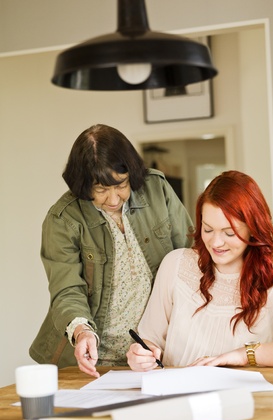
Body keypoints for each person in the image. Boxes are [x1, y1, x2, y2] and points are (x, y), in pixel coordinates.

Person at [127, 170, 273, 371]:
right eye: (208, 229)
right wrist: (141, 354)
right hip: (172, 401)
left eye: (229, 233)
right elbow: (150, 339)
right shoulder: (175, 264)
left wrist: (245, 355)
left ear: (253, 229)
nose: (216, 242)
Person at [29, 124, 194, 378]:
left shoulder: (157, 189)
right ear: (83, 186)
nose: (114, 199)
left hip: (152, 352)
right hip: (92, 361)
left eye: (120, 185)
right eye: (101, 190)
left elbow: (191, 257)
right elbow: (67, 290)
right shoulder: (63, 219)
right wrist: (82, 331)